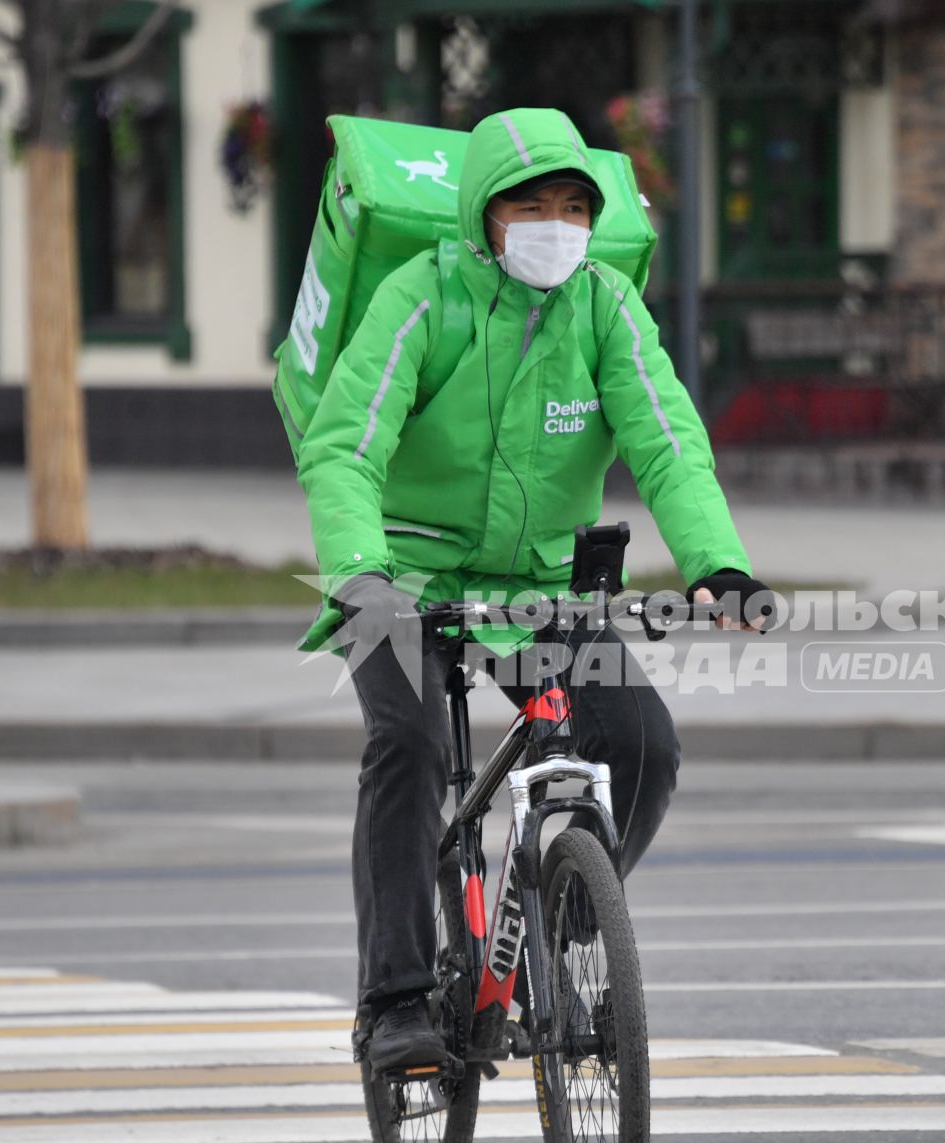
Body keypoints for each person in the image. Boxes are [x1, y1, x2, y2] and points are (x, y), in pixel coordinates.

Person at [294, 108, 772, 1073]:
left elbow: (668, 441)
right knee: (412, 743)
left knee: (642, 743)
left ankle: (567, 914)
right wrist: (361, 574)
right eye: (530, 206)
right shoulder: (420, 297)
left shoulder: (603, 306)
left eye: (572, 207)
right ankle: (393, 1000)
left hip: (538, 589)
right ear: (483, 216)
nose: (556, 225)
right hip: (401, 576)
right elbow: (345, 446)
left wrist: (717, 562)